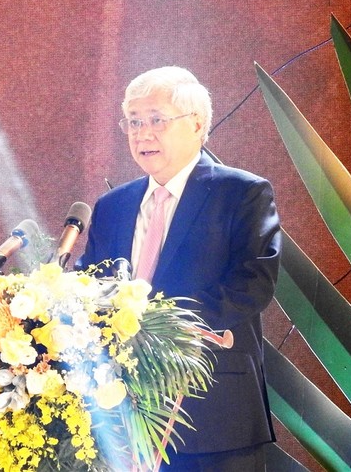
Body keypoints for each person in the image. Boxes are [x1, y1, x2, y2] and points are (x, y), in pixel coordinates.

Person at [77, 66, 281, 470]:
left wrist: (157, 329)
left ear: (197, 124)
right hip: (122, 418)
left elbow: (253, 282)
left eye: (156, 120)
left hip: (213, 412)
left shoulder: (241, 193)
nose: (142, 134)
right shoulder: (113, 206)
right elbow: (89, 284)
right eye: (134, 122)